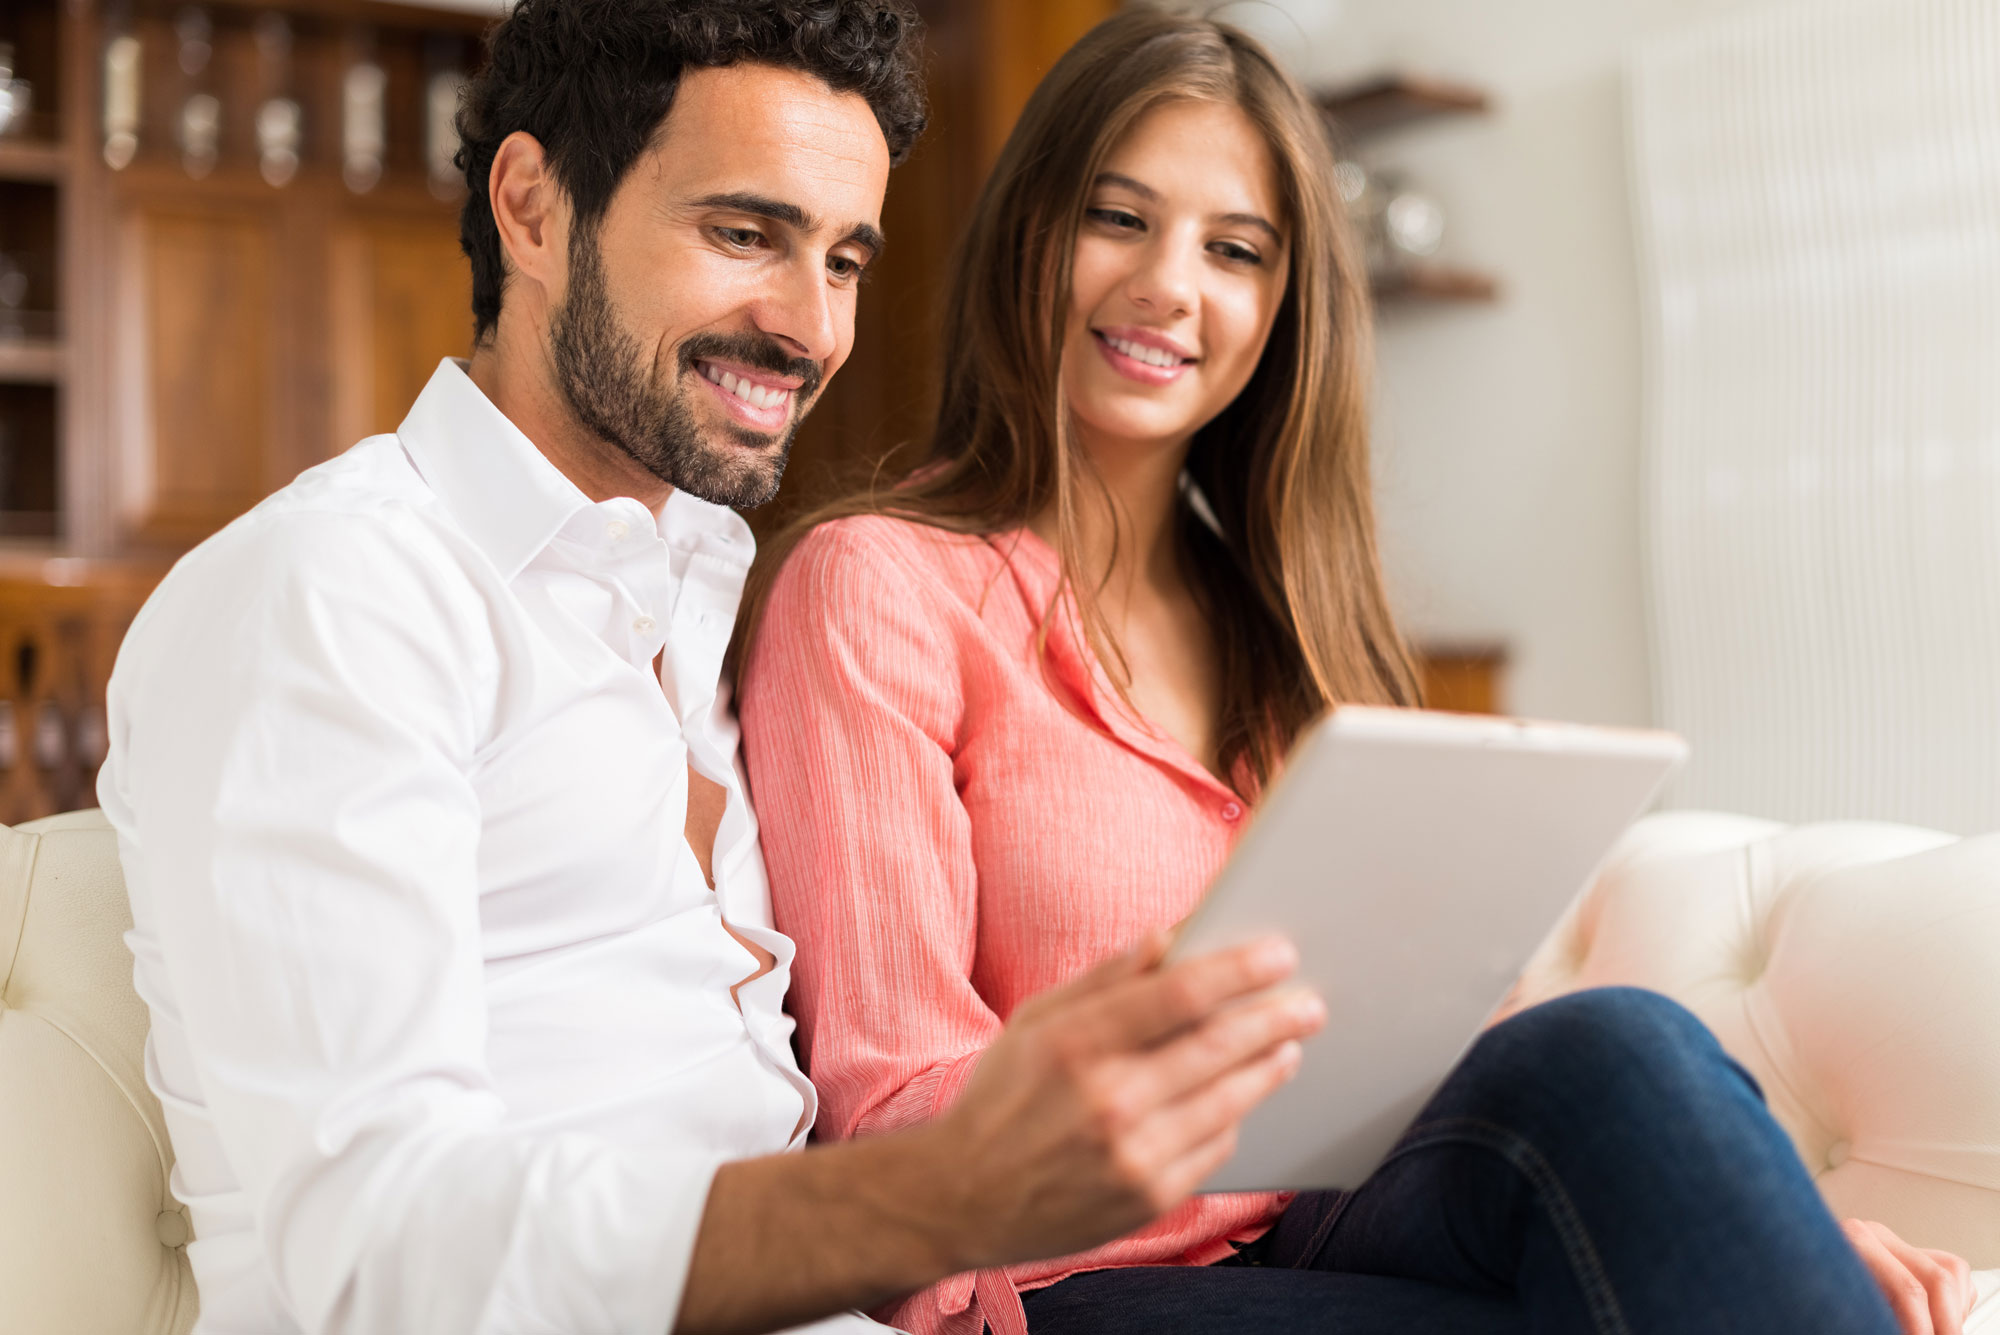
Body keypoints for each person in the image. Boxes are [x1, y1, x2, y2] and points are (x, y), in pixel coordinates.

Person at [734, 9, 1978, 1335]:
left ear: (1282, 304)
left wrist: (1741, 1214)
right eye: (1119, 218)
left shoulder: (1287, 623)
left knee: (1620, 1043)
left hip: (1334, 1209)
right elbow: (895, 1096)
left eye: (1234, 251)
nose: (1170, 287)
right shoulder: (878, 584)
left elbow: (1460, 1035)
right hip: (1077, 1278)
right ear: (1030, 232)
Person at [96, 4, 1333, 1333]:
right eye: (744, 234)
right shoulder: (338, 591)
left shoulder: (676, 590)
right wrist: (950, 1191)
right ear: (531, 207)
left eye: (844, 259)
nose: (809, 326)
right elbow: (383, 1257)